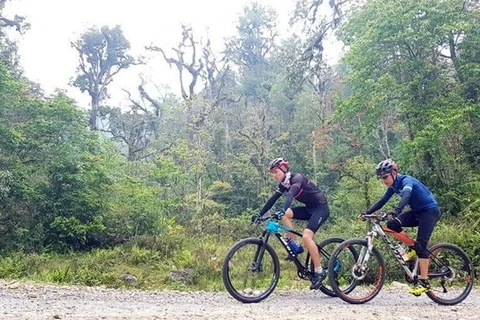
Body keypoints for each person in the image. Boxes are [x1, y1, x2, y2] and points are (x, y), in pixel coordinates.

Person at [363, 159, 441, 295]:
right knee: (392, 224)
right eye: (382, 178)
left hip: (430, 211)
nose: (384, 180)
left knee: (421, 247)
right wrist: (367, 213)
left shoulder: (406, 181)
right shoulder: (393, 186)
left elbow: (406, 195)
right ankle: (411, 248)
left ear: (394, 173)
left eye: (385, 177)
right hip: (417, 212)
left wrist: (397, 211)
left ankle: (424, 282)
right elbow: (382, 201)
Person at [251, 158, 330, 290]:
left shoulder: (296, 178)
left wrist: (282, 209)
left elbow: (290, 196)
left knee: (306, 236)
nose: (274, 175)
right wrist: (260, 214)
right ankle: (295, 245)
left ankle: (319, 271)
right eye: (272, 173)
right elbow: (272, 200)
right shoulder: (284, 184)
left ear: (283, 170)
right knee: (285, 214)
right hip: (309, 208)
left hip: (321, 208)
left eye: (275, 171)